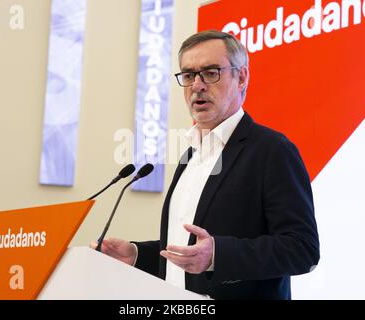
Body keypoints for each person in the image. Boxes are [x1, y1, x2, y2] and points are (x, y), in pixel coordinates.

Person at [91, 30, 320, 299]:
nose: (197, 86)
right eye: (188, 75)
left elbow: (303, 250)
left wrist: (217, 256)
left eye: (211, 73)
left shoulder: (272, 150)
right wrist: (137, 255)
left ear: (241, 77)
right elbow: (186, 253)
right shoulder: (190, 153)